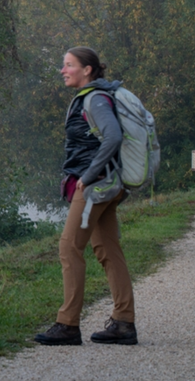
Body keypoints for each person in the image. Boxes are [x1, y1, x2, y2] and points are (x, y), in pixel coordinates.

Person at [34, 47, 138, 346]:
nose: (63, 70)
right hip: (106, 184)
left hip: (96, 187)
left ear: (87, 70)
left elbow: (113, 136)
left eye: (69, 65)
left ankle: (68, 324)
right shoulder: (93, 97)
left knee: (69, 247)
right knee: (107, 249)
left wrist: (88, 175)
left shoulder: (95, 99)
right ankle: (123, 323)